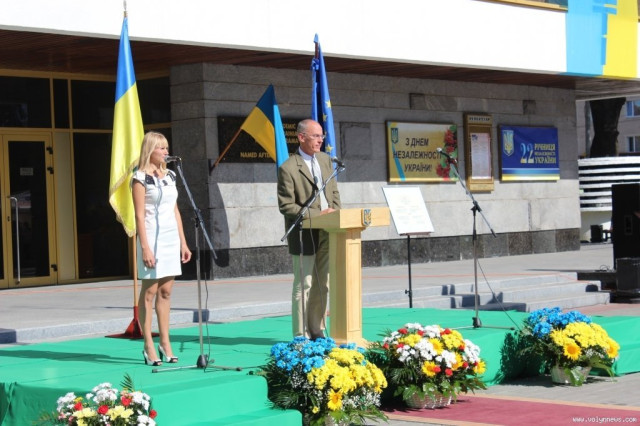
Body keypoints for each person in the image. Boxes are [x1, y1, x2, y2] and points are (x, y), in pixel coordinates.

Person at [277, 119, 341, 339]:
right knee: (304, 283)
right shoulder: (288, 168)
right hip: (303, 233)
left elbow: (333, 193)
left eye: (322, 136)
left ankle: (317, 329)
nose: (320, 140)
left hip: (328, 230)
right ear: (301, 137)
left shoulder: (325, 160)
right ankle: (301, 334)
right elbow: (286, 206)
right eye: (315, 136)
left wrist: (336, 215)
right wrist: (318, 215)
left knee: (323, 283)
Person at [132, 131, 192, 366]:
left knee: (166, 291)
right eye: (161, 148)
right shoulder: (139, 178)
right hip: (151, 237)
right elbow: (139, 216)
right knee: (150, 291)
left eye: (167, 148)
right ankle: (148, 344)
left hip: (169, 237)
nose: (166, 152)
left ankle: (165, 342)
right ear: (150, 150)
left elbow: (174, 210)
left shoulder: (170, 175)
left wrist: (183, 242)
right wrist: (145, 247)